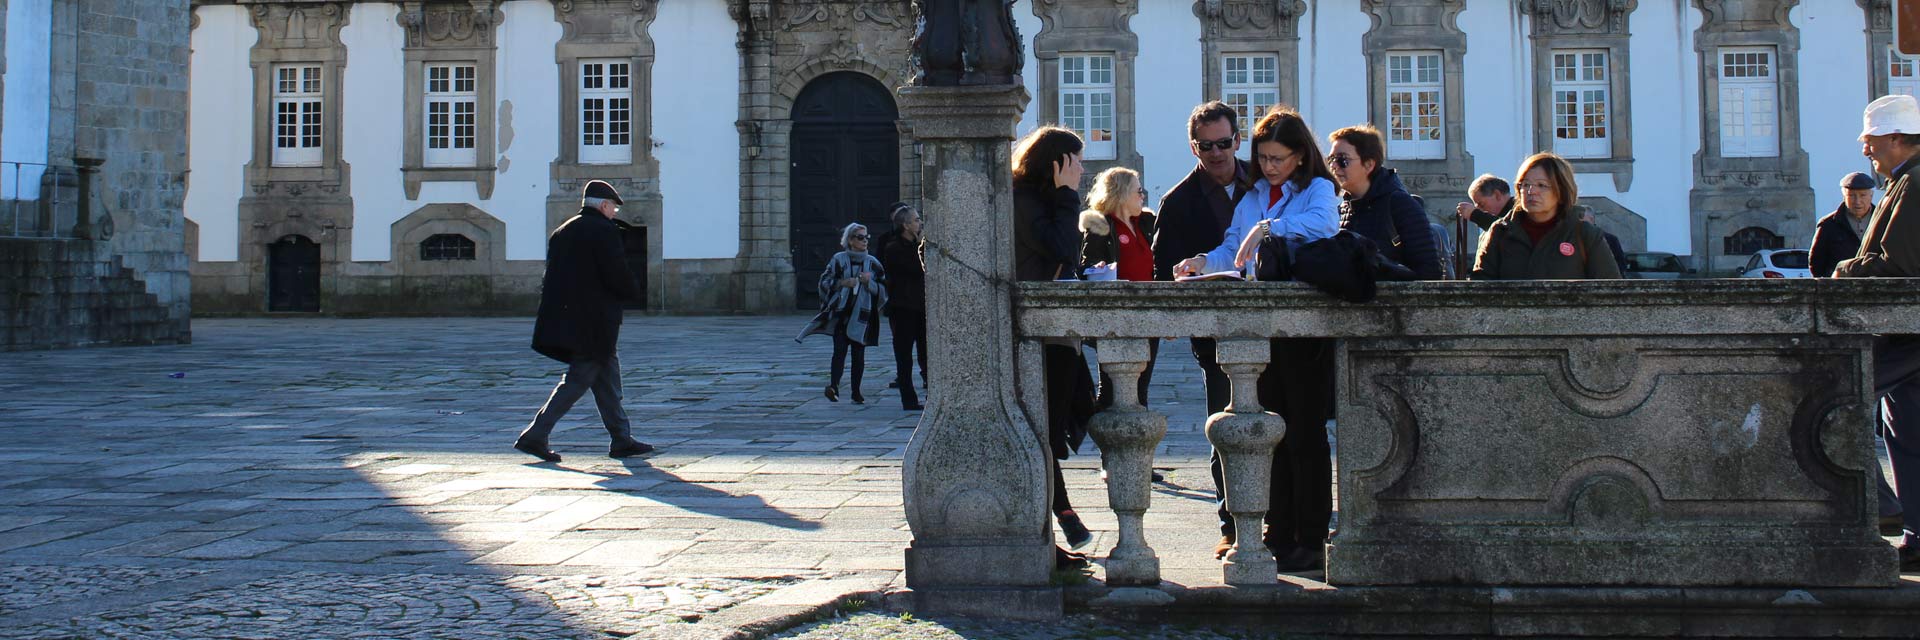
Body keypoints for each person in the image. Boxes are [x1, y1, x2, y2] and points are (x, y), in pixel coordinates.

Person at [1172, 107, 1340, 571]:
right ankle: (1278, 529)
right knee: (1274, 433)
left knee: (1305, 435)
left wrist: (1273, 228)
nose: (1268, 167)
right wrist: (1203, 261)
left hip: (1303, 329)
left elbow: (1324, 225)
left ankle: (1310, 532)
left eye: (1279, 159)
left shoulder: (1317, 190)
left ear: (1300, 157)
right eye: (1264, 158)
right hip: (1263, 329)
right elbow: (1234, 245)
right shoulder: (1254, 196)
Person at [1838, 94, 1920, 570]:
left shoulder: (1912, 185)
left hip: (1907, 334)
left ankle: (1879, 513)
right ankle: (1909, 525)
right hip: (1906, 333)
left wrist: (1847, 272)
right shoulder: (1903, 182)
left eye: (1869, 141)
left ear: (1894, 138)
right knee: (1906, 427)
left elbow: (1899, 265)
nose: (1865, 150)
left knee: (1834, 389)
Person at [1152, 101, 1255, 475]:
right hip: (1214, 331)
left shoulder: (1265, 185)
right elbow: (1163, 268)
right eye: (1206, 145)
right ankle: (1229, 523)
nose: (1216, 153)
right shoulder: (1177, 202)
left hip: (1273, 322)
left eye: (1223, 143)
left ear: (1238, 141)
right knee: (1223, 427)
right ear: (1194, 147)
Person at [517, 180, 652, 462]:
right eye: (613, 207)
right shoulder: (603, 231)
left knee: (607, 381)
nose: (614, 212)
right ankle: (536, 434)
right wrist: (632, 290)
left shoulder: (562, 231)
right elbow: (616, 273)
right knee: (578, 379)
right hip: (595, 322)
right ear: (603, 205)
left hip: (571, 320)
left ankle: (621, 438)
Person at [1012, 125, 1098, 566]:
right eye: (1076, 161)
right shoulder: (1026, 201)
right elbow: (1061, 246)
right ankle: (1059, 518)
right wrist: (1067, 196)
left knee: (1063, 422)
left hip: (1056, 334)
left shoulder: (1036, 200)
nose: (1082, 169)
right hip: (1040, 337)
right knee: (1043, 431)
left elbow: (1064, 258)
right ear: (1057, 164)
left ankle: (1060, 518)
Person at [1470, 153, 1624, 280]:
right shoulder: (1499, 232)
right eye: (1525, 184)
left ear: (1561, 191)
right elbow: (1480, 290)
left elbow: (1610, 292)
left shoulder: (1584, 234)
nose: (1531, 191)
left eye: (1541, 185)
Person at [1079, 167, 1159, 408]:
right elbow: (1086, 267)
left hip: (1149, 315)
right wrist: (1098, 266)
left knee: (1141, 388)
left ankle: (1139, 441)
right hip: (1116, 318)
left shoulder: (1147, 223)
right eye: (1138, 190)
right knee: (1112, 389)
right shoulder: (1100, 226)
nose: (1142, 195)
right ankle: (1108, 443)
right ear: (1122, 193)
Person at [1325, 124, 1443, 280]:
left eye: (1342, 160)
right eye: (1331, 159)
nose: (1334, 166)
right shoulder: (1342, 209)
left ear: (1369, 164)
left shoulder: (1400, 204)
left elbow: (1429, 271)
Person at [796, 223, 889, 405]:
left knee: (858, 354)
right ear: (850, 240)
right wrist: (842, 283)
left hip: (863, 315)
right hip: (841, 313)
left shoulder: (873, 263)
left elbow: (884, 290)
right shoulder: (839, 259)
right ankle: (834, 387)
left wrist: (869, 283)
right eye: (860, 237)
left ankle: (856, 391)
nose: (864, 241)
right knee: (839, 351)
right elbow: (824, 281)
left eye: (866, 237)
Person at [876, 203, 928, 411]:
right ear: (906, 225)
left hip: (922, 308)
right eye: (916, 220)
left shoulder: (919, 245)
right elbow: (917, 269)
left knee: (927, 353)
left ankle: (933, 395)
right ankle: (909, 399)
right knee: (904, 355)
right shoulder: (894, 248)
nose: (920, 222)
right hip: (903, 308)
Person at [1811, 172, 1879, 278]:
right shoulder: (1828, 224)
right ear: (1844, 196)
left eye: (1863, 195)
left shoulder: (1882, 221)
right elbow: (1816, 264)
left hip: (1875, 287)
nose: (1857, 201)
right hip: (1839, 288)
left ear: (1871, 195)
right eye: (1851, 195)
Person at [1581, 209, 1631, 275]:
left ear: (1591, 219)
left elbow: (1621, 264)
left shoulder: (1610, 239)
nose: (1579, 221)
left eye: (1581, 217)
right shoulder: (1574, 238)